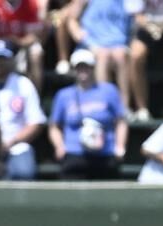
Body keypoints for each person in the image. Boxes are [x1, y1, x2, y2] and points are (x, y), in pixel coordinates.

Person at [48, 47, 126, 178]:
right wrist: (60, 147)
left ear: (93, 68)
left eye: (86, 67)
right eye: (79, 67)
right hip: (74, 153)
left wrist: (120, 146)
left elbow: (121, 121)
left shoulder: (109, 91)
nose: (83, 71)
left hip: (105, 153)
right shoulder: (64, 95)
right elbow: (54, 126)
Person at [0, 40, 45, 180]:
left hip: (16, 146)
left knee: (23, 172)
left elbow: (36, 122)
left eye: (4, 58)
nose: (0, 63)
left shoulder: (23, 84)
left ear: (12, 60)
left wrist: (10, 143)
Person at [63, 0, 131, 110]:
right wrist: (82, 38)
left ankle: (124, 108)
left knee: (120, 56)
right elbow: (71, 20)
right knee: (102, 56)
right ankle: (103, 104)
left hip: (118, 43)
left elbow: (133, 19)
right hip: (92, 44)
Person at [0, 0, 49, 93]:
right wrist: (2, 43)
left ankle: (36, 94)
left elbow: (33, 36)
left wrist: (18, 42)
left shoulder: (30, 3)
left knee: (36, 51)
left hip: (19, 45)